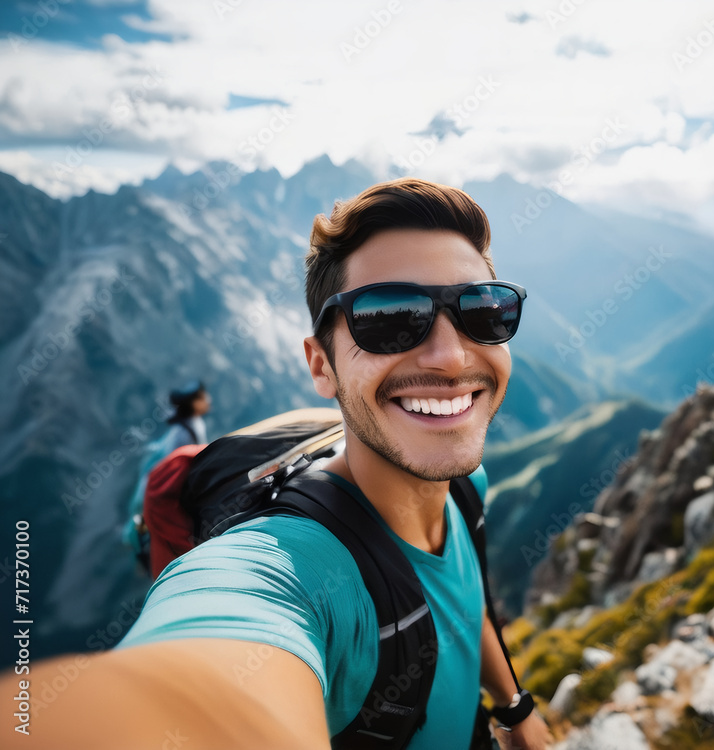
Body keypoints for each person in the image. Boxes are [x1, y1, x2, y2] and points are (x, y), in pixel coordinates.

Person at [9, 178, 552, 749]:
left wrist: (513, 708)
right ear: (321, 367)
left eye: (483, 310)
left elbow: (466, 604)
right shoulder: (290, 569)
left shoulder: (466, 486)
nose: (450, 355)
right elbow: (210, 654)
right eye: (389, 318)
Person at [121, 380, 212, 571]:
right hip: (157, 491)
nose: (209, 400)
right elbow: (173, 468)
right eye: (204, 397)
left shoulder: (189, 425)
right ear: (194, 403)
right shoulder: (185, 432)